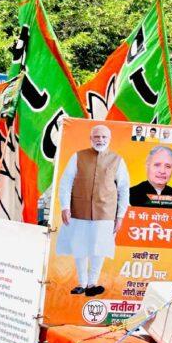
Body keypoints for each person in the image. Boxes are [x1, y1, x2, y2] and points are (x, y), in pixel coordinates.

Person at [55, 124, 129, 297]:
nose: (100, 140)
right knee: (80, 246)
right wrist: (65, 206)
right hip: (78, 209)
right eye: (97, 137)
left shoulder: (117, 160)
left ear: (109, 139)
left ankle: (92, 283)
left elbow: (124, 188)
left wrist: (120, 215)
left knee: (99, 248)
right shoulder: (78, 157)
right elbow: (65, 182)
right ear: (91, 138)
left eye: (104, 137)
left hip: (106, 212)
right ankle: (82, 283)